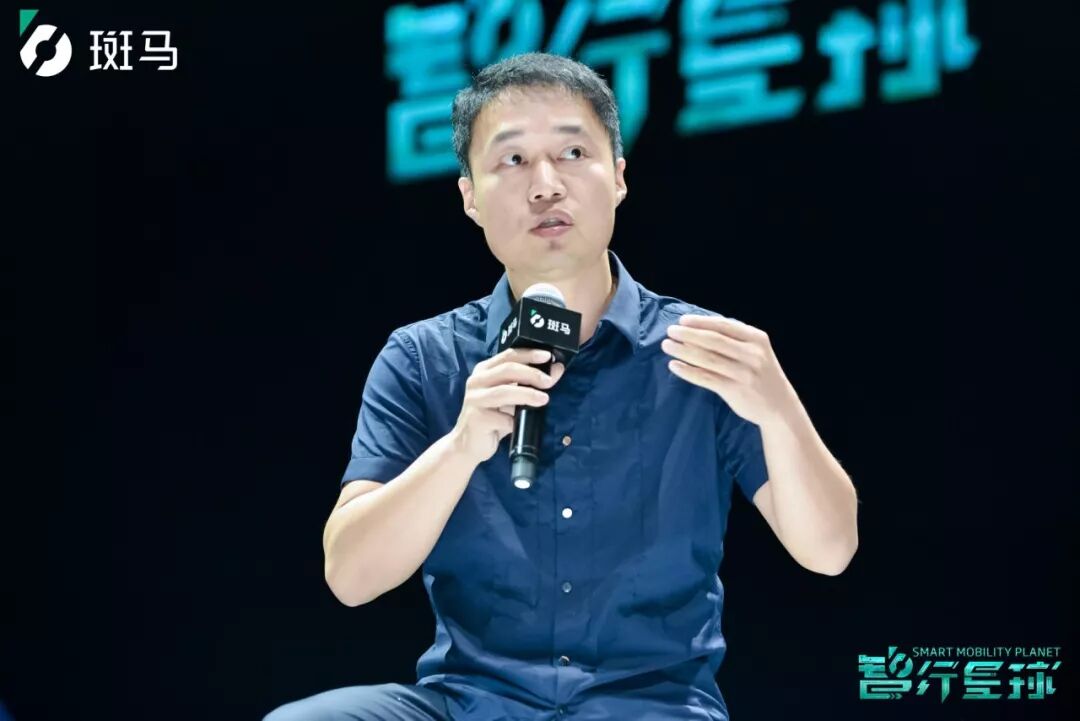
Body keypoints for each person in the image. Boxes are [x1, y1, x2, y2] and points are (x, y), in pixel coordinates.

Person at [264, 52, 858, 721]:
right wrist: (461, 446)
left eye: (573, 152)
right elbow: (350, 577)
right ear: (470, 197)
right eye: (513, 160)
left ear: (619, 177)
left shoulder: (702, 351)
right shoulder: (424, 359)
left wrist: (779, 410)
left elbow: (830, 551)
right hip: (468, 704)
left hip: (651, 707)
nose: (545, 185)